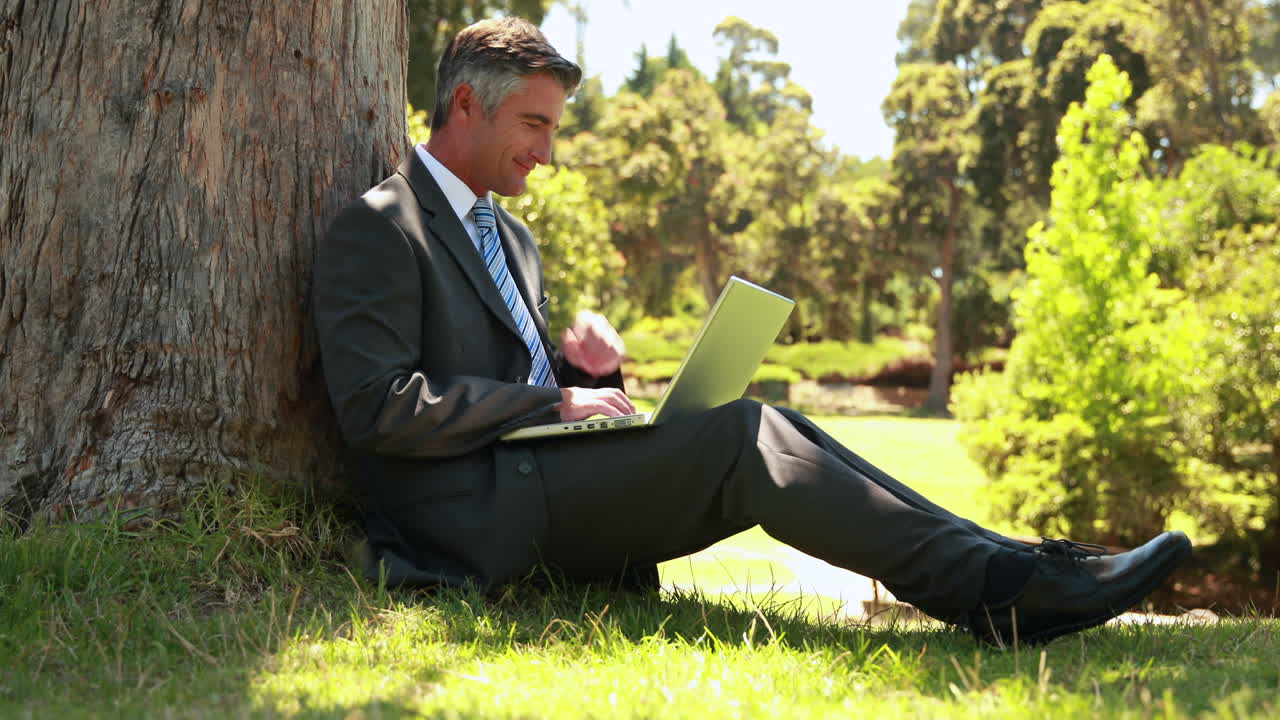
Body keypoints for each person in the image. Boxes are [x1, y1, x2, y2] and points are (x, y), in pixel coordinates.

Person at [312, 16, 1191, 645]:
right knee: (744, 436)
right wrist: (554, 400)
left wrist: (588, 374)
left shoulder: (513, 238)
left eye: (552, 128)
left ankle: (1023, 568)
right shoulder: (382, 226)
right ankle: (1001, 590)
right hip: (465, 521)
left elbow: (523, 381)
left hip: (539, 484)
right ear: (466, 103)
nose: (547, 151)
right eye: (534, 124)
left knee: (773, 425)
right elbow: (376, 406)